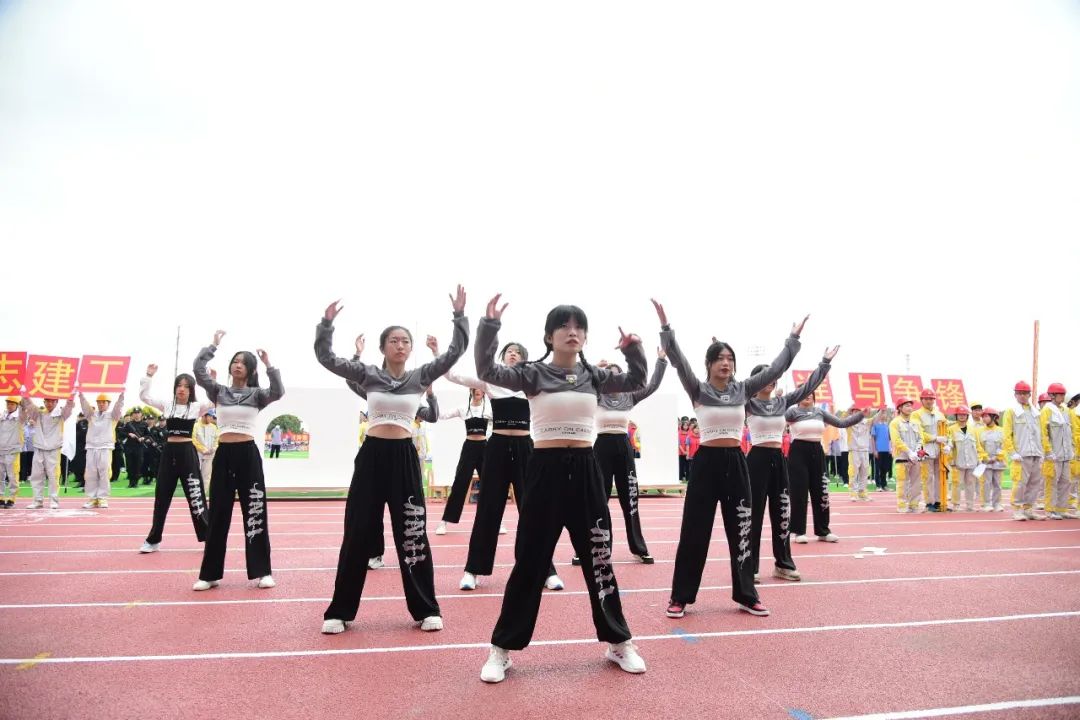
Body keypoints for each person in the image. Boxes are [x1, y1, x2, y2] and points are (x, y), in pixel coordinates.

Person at [478, 296, 648, 683]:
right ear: (549, 336)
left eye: (579, 327)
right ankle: (502, 648)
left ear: (585, 336)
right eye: (564, 326)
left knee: (599, 557)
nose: (572, 332)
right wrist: (490, 328)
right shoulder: (532, 373)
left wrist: (633, 350)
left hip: (587, 469)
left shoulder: (595, 376)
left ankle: (618, 641)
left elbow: (637, 381)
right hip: (544, 470)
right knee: (530, 561)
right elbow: (487, 369)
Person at [315, 288, 466, 635]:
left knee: (412, 533)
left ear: (410, 349)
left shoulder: (420, 377)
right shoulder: (368, 374)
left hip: (404, 459)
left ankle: (426, 608)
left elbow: (455, 353)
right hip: (371, 457)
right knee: (357, 533)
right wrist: (326, 325)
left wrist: (459, 317)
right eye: (394, 340)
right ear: (383, 348)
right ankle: (340, 611)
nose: (400, 345)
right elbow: (326, 358)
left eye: (405, 341)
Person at [654, 299, 805, 620]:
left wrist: (792, 339)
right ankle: (680, 596)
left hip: (736, 463)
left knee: (742, 530)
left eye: (730, 358)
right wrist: (666, 327)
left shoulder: (743, 390)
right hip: (705, 464)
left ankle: (747, 594)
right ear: (709, 364)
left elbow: (776, 370)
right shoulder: (697, 388)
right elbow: (679, 361)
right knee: (694, 532)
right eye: (720, 358)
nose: (726, 363)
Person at [445, 341, 563, 592]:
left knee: (533, 511)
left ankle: (546, 570)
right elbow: (454, 376)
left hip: (525, 449)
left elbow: (563, 384)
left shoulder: (532, 383)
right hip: (497, 448)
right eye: (510, 351)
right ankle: (472, 570)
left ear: (525, 359)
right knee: (488, 510)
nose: (513, 354)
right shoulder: (491, 380)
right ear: (503, 356)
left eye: (518, 352)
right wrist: (438, 354)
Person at [192, 331, 284, 590]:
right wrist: (213, 346)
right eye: (235, 361)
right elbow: (198, 370)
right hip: (224, 455)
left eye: (243, 362)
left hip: (247, 455)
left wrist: (269, 364)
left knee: (254, 511)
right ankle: (209, 574)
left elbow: (278, 391)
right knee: (218, 514)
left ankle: (262, 571)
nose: (237, 365)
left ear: (250, 369)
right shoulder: (218, 391)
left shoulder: (257, 394)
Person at [745, 347, 837, 583]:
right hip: (756, 460)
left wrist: (824, 363)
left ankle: (783, 564)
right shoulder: (747, 403)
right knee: (753, 516)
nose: (770, 380)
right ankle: (750, 567)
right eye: (765, 376)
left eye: (772, 376)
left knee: (782, 514)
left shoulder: (782, 402)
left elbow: (808, 387)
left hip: (778, 460)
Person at [583, 349, 669, 564]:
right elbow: (581, 382)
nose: (613, 377)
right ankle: (595, 547)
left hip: (623, 447)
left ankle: (639, 547)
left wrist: (660, 361)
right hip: (601, 447)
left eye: (617, 374)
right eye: (608, 374)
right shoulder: (596, 395)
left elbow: (652, 385)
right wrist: (594, 367)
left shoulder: (630, 396)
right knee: (598, 499)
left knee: (630, 499)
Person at [139, 366, 214, 553]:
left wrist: (211, 380)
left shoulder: (196, 407)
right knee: (162, 497)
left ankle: (209, 538)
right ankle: (153, 540)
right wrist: (148, 376)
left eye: (186, 386)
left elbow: (215, 400)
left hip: (187, 453)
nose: (182, 389)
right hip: (169, 452)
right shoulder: (167, 404)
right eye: (179, 385)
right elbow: (145, 397)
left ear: (191, 390)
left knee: (195, 495)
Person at [786, 397, 864, 542]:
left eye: (811, 393)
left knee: (821, 491)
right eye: (804, 392)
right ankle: (799, 532)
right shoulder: (792, 412)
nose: (808, 396)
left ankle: (823, 531)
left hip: (817, 451)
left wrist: (861, 414)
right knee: (799, 492)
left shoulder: (820, 412)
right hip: (798, 452)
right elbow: (778, 419)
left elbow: (841, 423)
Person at [435, 387, 491, 536]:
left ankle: (497, 522)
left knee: (490, 485)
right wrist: (431, 398)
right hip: (469, 448)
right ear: (471, 390)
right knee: (459, 483)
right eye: (475, 388)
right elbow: (442, 415)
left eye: (481, 388)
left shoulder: (489, 410)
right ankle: (444, 521)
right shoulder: (463, 408)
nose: (478, 390)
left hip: (484, 448)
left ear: (484, 392)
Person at [21, 396, 74, 509]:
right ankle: (37, 501)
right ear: (44, 402)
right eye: (47, 401)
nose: (49, 403)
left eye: (52, 401)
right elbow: (29, 405)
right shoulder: (38, 413)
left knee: (53, 476)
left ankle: (54, 501)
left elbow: (69, 408)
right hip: (39, 448)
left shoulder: (61, 414)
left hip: (53, 449)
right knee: (36, 476)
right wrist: (25, 395)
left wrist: (71, 398)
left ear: (56, 402)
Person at [1003, 381, 1044, 521]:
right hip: (1021, 455)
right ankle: (1017, 510)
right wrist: (1012, 452)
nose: (1022, 396)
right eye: (1019, 393)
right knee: (1020, 483)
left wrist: (1043, 452)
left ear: (1029, 395)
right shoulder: (1011, 412)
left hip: (1036, 453)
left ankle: (1028, 509)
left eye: (1025, 393)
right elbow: (1006, 434)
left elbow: (1041, 434)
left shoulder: (1036, 413)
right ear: (1015, 395)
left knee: (1034, 483)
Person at [78, 391, 125, 508]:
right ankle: (92, 498)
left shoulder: (113, 416)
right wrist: (81, 395)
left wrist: (121, 396)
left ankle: (102, 498)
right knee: (90, 473)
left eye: (104, 402)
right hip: (91, 447)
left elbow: (118, 407)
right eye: (99, 402)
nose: (101, 404)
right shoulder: (91, 415)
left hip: (105, 447)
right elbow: (85, 406)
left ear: (108, 404)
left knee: (104, 473)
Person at [1041, 383, 1076, 519]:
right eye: (1060, 394)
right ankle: (1050, 510)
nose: (1062, 397)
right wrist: (1048, 451)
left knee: (1066, 482)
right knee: (1052, 482)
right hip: (1053, 455)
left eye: (1063, 394)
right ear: (1052, 395)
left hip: (1066, 455)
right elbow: (1043, 433)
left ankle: (1061, 509)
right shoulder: (1047, 410)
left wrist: (1072, 448)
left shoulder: (1066, 411)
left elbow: (1072, 431)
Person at [911, 389, 948, 511]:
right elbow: (918, 432)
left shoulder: (940, 414)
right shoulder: (916, 414)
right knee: (928, 477)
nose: (929, 401)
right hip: (926, 449)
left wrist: (947, 443)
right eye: (926, 399)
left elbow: (946, 430)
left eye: (931, 399)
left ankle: (939, 501)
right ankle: (929, 502)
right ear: (921, 400)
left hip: (940, 449)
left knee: (940, 476)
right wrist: (935, 438)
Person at [890, 398, 923, 513]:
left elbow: (921, 438)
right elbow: (896, 440)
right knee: (902, 482)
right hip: (902, 457)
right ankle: (902, 504)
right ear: (900, 408)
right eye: (906, 406)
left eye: (910, 406)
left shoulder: (916, 422)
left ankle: (914, 505)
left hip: (915, 458)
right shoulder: (895, 423)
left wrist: (917, 451)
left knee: (916, 482)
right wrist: (909, 452)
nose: (910, 408)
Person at [848, 406, 885, 502]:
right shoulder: (849, 422)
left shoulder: (866, 422)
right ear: (852, 413)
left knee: (864, 473)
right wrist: (850, 408)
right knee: (853, 472)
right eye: (855, 411)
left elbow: (875, 418)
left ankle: (862, 492)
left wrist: (881, 410)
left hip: (864, 451)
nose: (857, 413)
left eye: (859, 411)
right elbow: (841, 420)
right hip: (854, 450)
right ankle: (853, 493)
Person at [946, 406, 979, 512]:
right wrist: (949, 450)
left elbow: (978, 445)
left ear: (967, 416)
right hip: (958, 462)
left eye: (964, 415)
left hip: (972, 461)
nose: (962, 416)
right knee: (956, 483)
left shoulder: (973, 429)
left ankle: (970, 505)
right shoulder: (951, 429)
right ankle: (956, 504)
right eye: (959, 414)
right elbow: (949, 443)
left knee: (970, 484)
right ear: (956, 416)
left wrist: (980, 459)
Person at [976, 408, 1006, 511]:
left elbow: (1004, 445)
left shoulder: (1001, 431)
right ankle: (986, 503)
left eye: (986, 416)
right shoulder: (980, 431)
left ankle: (997, 504)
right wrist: (986, 457)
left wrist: (997, 457)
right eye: (983, 417)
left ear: (994, 417)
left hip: (998, 461)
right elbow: (978, 446)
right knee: (986, 483)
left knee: (997, 484)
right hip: (986, 462)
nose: (984, 419)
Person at [1, 397, 25, 508]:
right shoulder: (2, 416)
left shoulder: (20, 417)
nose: (9, 406)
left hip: (13, 450)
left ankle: (12, 498)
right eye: (8, 404)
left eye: (12, 404)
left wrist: (23, 397)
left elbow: (24, 410)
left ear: (17, 405)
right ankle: (1, 497)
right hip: (1, 450)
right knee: (0, 475)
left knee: (12, 475)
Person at [192, 409, 219, 495]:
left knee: (206, 476)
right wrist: (202, 449)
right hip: (198, 454)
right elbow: (193, 440)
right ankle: (195, 494)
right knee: (196, 475)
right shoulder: (195, 426)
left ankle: (203, 494)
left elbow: (217, 439)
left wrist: (214, 448)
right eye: (210, 416)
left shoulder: (214, 427)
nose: (211, 418)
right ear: (204, 415)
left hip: (210, 455)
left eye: (212, 416)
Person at [121, 409, 149, 488]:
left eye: (138, 413)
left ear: (141, 414)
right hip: (129, 447)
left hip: (139, 447)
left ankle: (135, 482)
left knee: (138, 465)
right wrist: (129, 434)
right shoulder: (129, 424)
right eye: (135, 413)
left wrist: (143, 438)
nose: (136, 414)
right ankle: (131, 482)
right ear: (132, 415)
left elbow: (148, 435)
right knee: (130, 465)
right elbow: (121, 433)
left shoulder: (144, 424)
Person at [871, 410, 893, 490]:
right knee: (878, 468)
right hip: (878, 450)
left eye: (885, 413)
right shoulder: (875, 425)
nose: (884, 415)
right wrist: (874, 450)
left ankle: (884, 485)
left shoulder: (887, 425)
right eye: (882, 413)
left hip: (886, 450)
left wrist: (890, 448)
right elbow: (873, 438)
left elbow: (890, 439)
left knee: (885, 468)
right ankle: (878, 485)